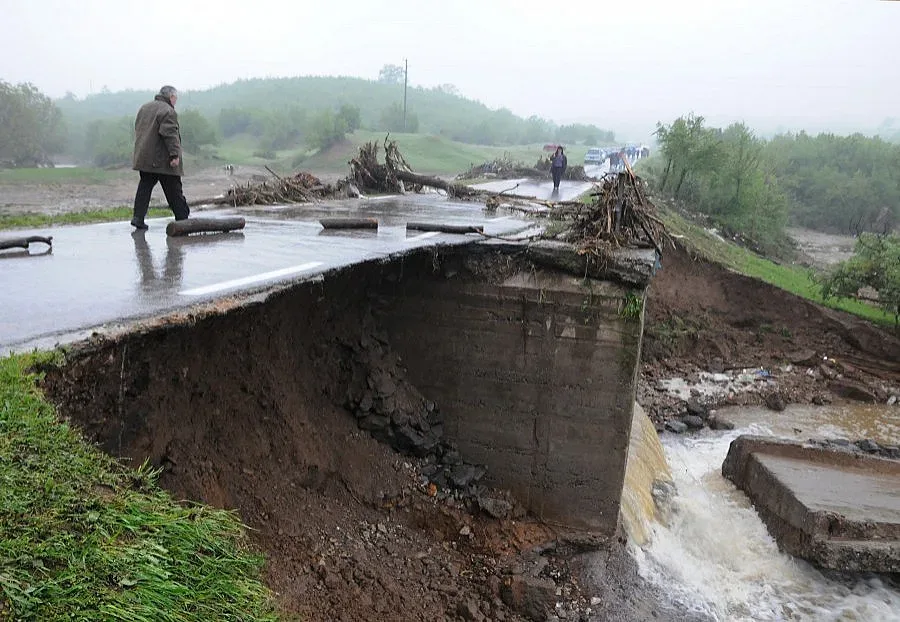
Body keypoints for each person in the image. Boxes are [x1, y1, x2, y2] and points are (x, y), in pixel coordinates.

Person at [130, 85, 190, 229]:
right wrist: (174, 155)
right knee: (174, 189)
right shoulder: (167, 111)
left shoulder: (144, 108)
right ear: (171, 97)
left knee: (145, 186)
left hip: (145, 157)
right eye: (175, 98)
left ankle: (138, 218)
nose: (176, 101)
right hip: (162, 159)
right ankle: (183, 219)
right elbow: (170, 134)